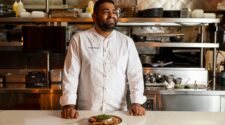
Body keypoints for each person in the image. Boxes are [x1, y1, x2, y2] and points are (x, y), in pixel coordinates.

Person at [60, 0, 146, 119]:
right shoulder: (79, 39)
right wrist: (69, 105)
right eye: (106, 12)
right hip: (87, 112)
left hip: (118, 113)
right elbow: (71, 75)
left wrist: (136, 103)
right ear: (94, 17)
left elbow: (135, 75)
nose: (111, 15)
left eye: (114, 12)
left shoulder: (126, 42)